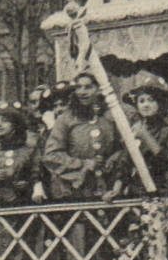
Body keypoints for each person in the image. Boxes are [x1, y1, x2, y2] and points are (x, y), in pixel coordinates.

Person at [42, 72, 122, 202]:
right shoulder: (65, 119)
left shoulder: (110, 117)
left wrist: (114, 158)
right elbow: (51, 155)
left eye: (88, 87)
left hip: (108, 188)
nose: (82, 92)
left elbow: (124, 147)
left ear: (98, 89)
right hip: (74, 190)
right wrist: (83, 164)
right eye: (78, 87)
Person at [109, 74, 168, 194]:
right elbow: (125, 162)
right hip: (136, 190)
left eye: (151, 100)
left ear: (161, 103)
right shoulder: (136, 129)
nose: (146, 105)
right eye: (141, 101)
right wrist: (116, 189)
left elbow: (166, 162)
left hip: (162, 189)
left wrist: (146, 136)